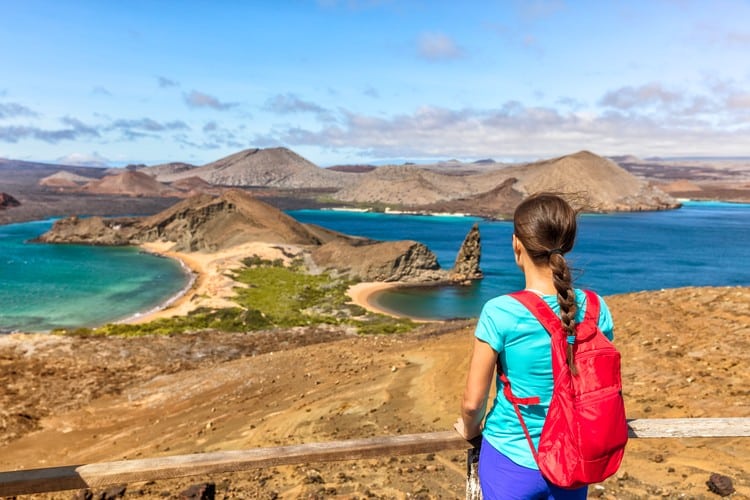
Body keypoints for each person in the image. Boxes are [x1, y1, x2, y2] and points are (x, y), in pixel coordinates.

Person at [454, 192, 614, 500]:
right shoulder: (596, 307)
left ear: (517, 243)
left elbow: (473, 402)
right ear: (567, 242)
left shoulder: (500, 311)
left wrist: (468, 429)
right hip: (574, 459)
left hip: (511, 459)